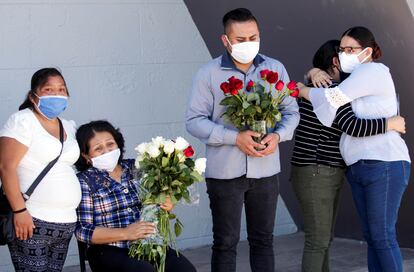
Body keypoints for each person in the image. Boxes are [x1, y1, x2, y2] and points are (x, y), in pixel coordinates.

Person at [185, 8, 299, 272]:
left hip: (266, 170)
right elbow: (194, 120)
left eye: (254, 37)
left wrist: (278, 135)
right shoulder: (208, 73)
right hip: (225, 173)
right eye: (240, 39)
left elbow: (292, 112)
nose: (248, 44)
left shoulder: (274, 68)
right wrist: (233, 138)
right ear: (225, 40)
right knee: (225, 243)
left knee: (263, 241)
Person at [297, 26, 410, 272]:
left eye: (351, 49)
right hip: (359, 167)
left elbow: (334, 99)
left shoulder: (372, 70)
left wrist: (302, 89)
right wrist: (314, 70)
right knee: (372, 237)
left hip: (384, 163)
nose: (345, 53)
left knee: (382, 237)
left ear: (367, 51)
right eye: (342, 49)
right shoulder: (352, 79)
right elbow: (332, 83)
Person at [74, 120, 196, 272]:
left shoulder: (137, 168)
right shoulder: (84, 181)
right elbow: (82, 230)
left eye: (110, 144)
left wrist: (167, 204)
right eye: (98, 149)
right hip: (108, 250)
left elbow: (155, 205)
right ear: (86, 155)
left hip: (148, 244)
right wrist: (126, 233)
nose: (107, 151)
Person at [0, 68, 81, 271]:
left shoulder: (69, 126)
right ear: (33, 95)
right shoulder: (23, 121)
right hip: (32, 220)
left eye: (62, 89)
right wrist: (19, 211)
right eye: (48, 89)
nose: (57, 94)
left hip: (65, 222)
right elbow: (6, 167)